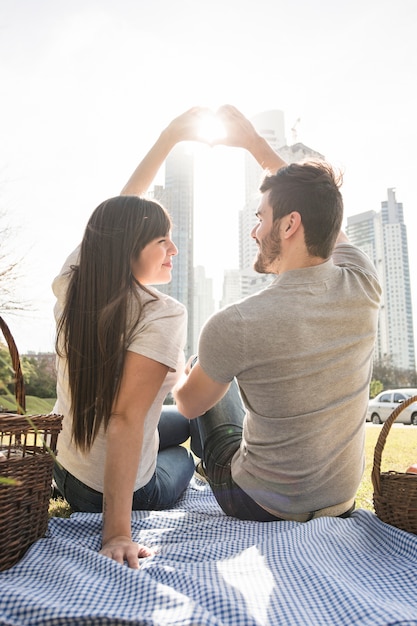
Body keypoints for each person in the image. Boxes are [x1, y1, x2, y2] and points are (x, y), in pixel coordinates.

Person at [174, 105, 382, 523]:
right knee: (221, 366)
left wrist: (180, 370)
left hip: (258, 503)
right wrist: (256, 144)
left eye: (261, 218)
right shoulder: (363, 282)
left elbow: (188, 406)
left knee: (201, 366)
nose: (254, 231)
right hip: (340, 501)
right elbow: (322, 215)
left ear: (288, 226)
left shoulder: (236, 323)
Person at [52, 107, 212, 569]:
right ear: (128, 247)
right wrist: (118, 533)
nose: (173, 250)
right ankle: (223, 464)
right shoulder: (162, 312)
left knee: (177, 421)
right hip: (107, 492)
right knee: (181, 452)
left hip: (68, 466)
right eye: (162, 240)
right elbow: (123, 420)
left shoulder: (74, 281)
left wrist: (168, 138)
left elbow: (115, 214)